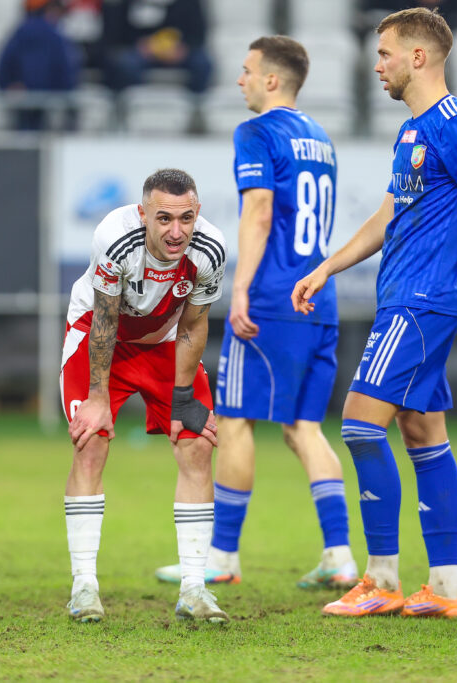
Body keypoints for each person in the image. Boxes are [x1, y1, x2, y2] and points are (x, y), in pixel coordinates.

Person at [292, 7, 457, 618]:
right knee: (422, 434)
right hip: (404, 300)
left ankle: (380, 580)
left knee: (359, 424)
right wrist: (327, 267)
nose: (377, 66)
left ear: (417, 57)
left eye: (385, 54)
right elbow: (388, 215)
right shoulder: (413, 131)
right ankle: (445, 589)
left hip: (422, 303)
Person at [153, 36, 358, 590]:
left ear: (271, 79)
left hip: (273, 299)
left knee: (235, 420)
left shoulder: (256, 132)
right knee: (304, 428)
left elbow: (259, 211)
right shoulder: (321, 138)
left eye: (247, 71)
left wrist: (239, 287)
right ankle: (339, 555)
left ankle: (222, 556)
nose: (239, 80)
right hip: (319, 296)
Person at [60, 168, 229, 623]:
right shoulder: (115, 238)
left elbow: (193, 324)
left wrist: (183, 397)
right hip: (101, 335)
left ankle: (194, 588)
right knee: (91, 441)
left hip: (165, 339)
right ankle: (84, 587)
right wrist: (98, 398)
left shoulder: (211, 248)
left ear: (197, 213)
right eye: (164, 218)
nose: (176, 231)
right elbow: (105, 319)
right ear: (143, 214)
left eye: (186, 218)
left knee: (197, 443)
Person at [0, 0, 81, 131]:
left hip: (23, 100)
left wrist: (7, 84)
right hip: (46, 102)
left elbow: (4, 65)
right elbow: (67, 72)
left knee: (24, 136)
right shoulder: (55, 36)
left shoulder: (20, 32)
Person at [103, 0, 211, 94]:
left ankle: (196, 103)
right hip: (142, 51)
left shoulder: (189, 2)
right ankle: (135, 102)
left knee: (202, 63)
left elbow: (198, 32)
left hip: (179, 50)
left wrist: (183, 49)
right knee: (125, 64)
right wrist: (143, 46)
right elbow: (120, 30)